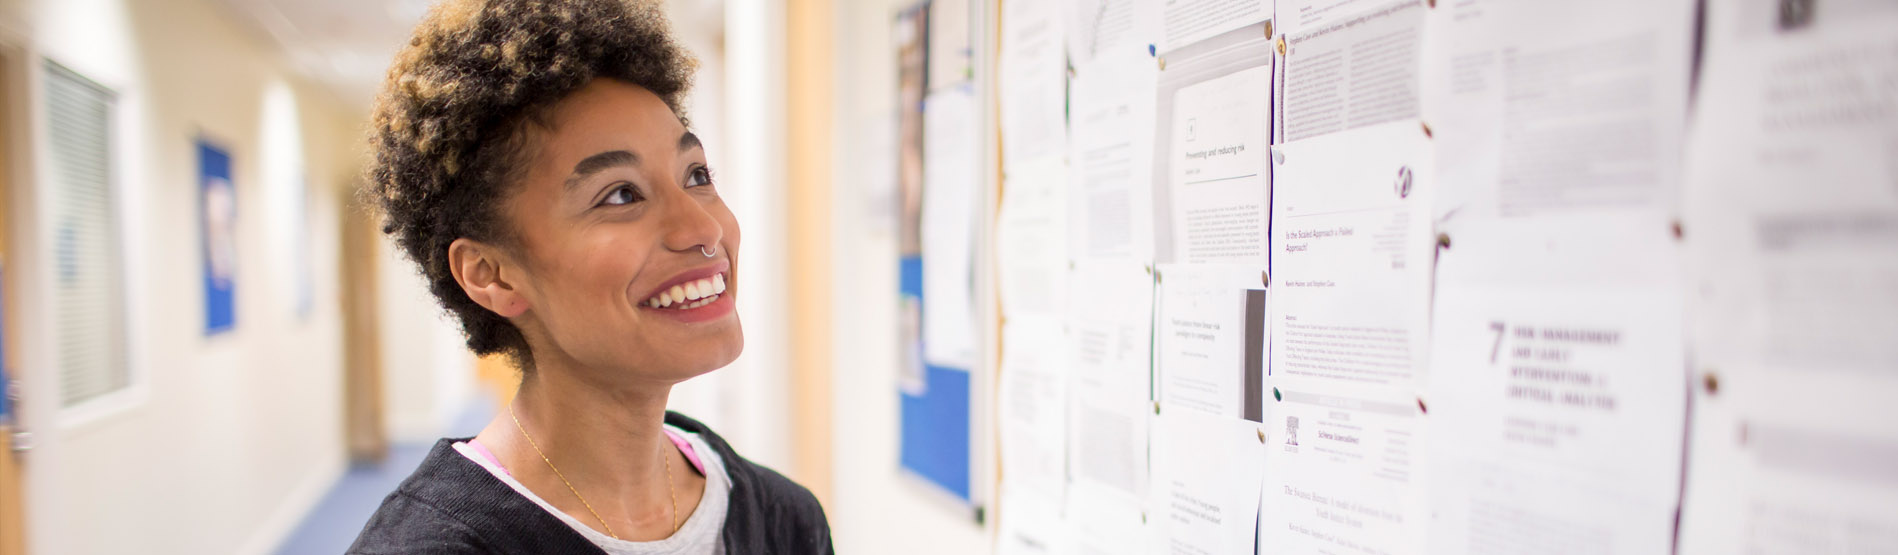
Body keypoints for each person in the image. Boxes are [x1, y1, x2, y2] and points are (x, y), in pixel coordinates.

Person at [347, 0, 831, 553]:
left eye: (696, 175)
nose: (703, 227)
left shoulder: (783, 519)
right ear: (492, 275)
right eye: (621, 194)